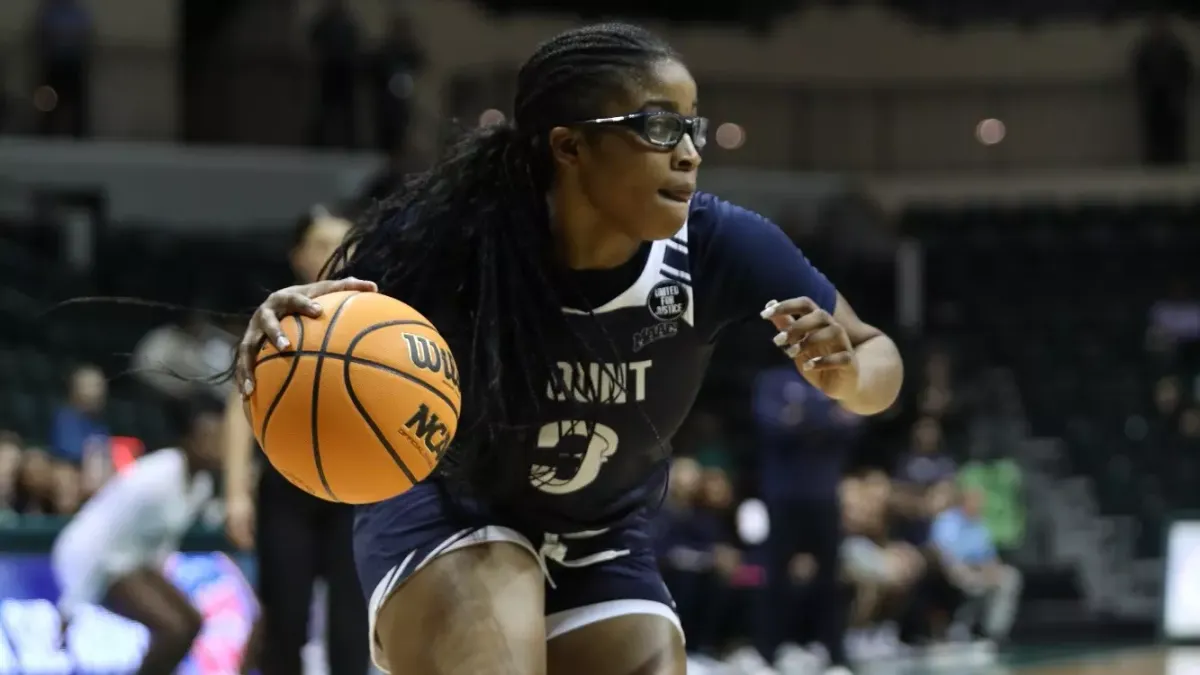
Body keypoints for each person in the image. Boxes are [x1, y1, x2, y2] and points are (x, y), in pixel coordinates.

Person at [233, 23, 903, 675]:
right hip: (453, 509)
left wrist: (847, 374)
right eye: (658, 126)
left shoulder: (720, 243)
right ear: (570, 146)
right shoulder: (456, 235)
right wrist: (278, 340)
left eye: (691, 126)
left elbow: (880, 359)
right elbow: (317, 339)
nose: (689, 151)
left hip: (602, 529)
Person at [222, 205, 369, 675]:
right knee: (285, 627)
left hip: (353, 489)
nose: (335, 255)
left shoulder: (377, 318)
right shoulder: (276, 319)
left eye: (345, 244)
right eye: (323, 244)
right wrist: (235, 494)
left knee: (352, 631)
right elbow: (239, 406)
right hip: (287, 487)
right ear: (298, 256)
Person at [50, 395, 223, 675]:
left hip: (132, 561)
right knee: (174, 630)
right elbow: (103, 532)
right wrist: (69, 607)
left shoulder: (201, 484)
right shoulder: (154, 477)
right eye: (209, 437)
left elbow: (161, 542)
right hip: (88, 557)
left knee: (192, 623)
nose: (219, 446)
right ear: (188, 439)